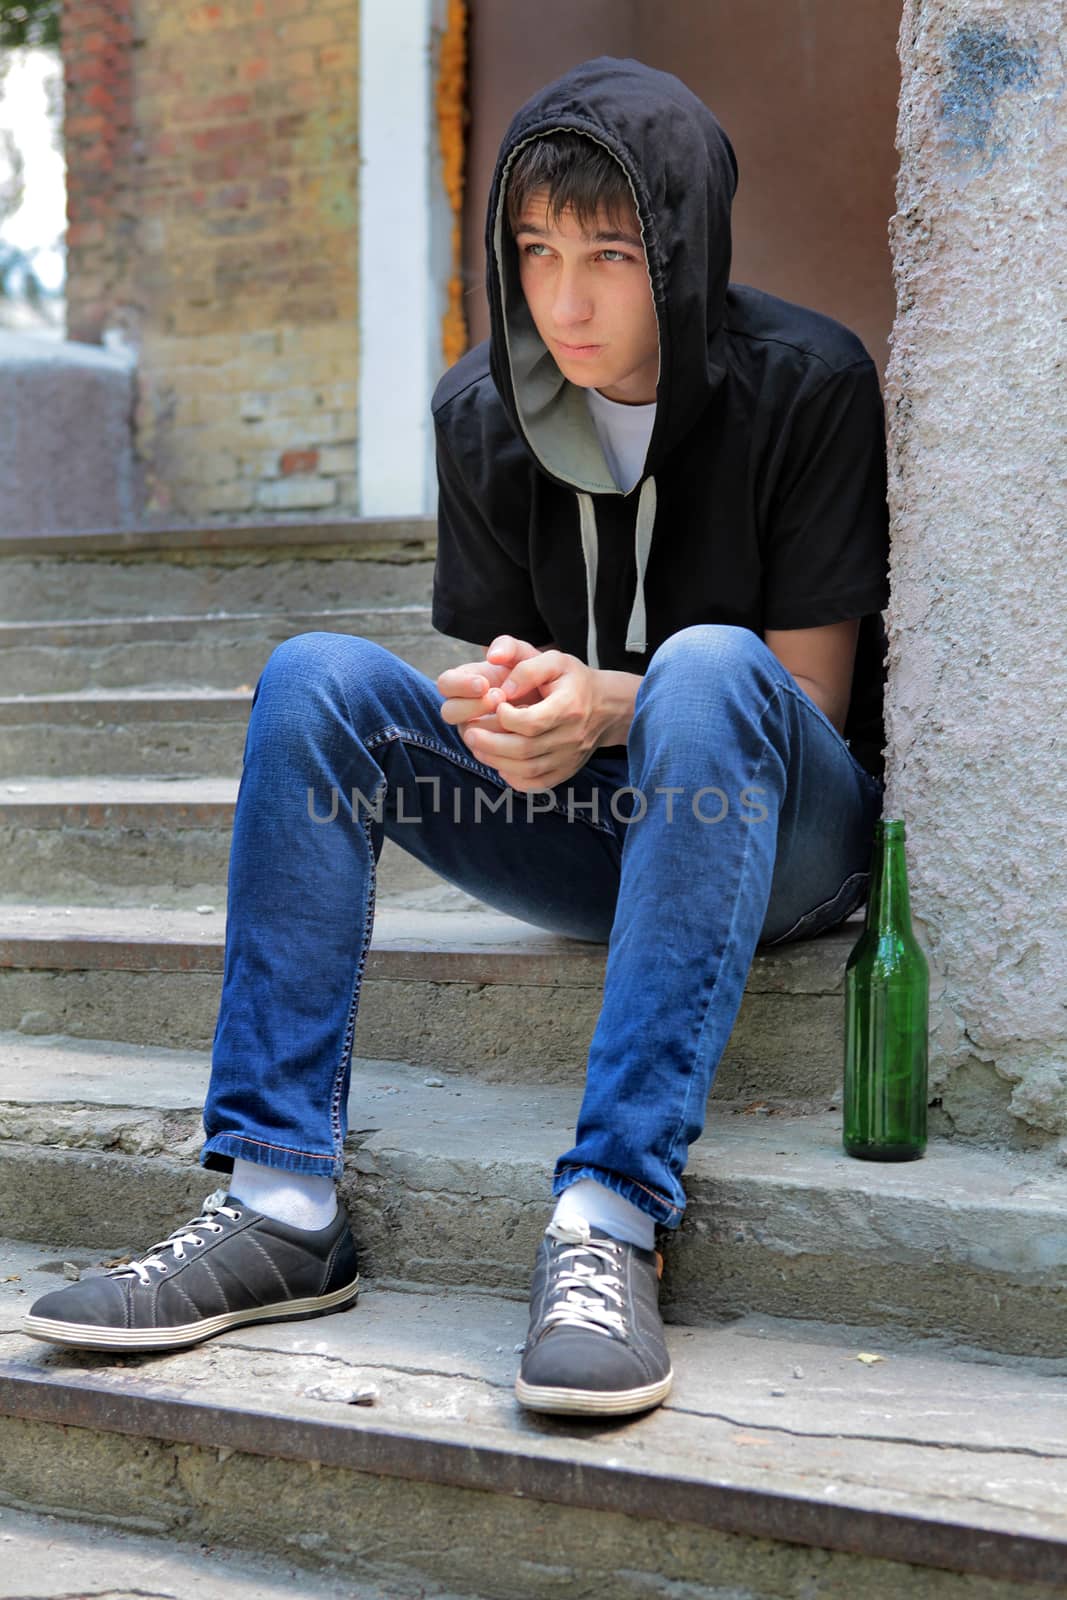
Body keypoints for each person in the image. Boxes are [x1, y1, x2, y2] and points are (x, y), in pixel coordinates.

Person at [23, 57, 888, 1418]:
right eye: (535, 252)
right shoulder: (483, 410)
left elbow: (808, 702)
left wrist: (606, 701)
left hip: (777, 840)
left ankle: (609, 1214)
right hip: (597, 843)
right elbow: (495, 669)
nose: (568, 298)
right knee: (315, 677)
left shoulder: (810, 383)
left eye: (610, 254)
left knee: (710, 671)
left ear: (683, 247)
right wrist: (507, 719)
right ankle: (280, 1201)